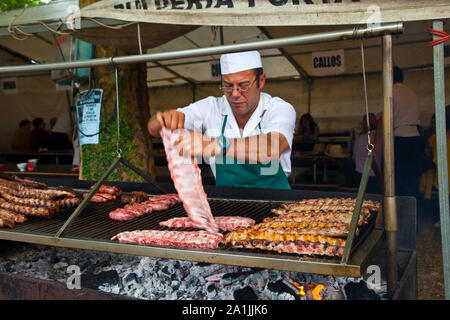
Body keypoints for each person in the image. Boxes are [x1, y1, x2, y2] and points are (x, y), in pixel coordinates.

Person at [147, 50, 296, 190]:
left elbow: (272, 147)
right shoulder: (211, 107)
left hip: (279, 205)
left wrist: (214, 145)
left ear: (261, 81)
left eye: (243, 85)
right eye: (228, 86)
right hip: (228, 204)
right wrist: (164, 118)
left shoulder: (278, 108)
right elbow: (153, 128)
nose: (235, 94)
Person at [374, 66, 425, 198]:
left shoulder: (391, 92)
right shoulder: (411, 93)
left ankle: (397, 214)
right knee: (411, 179)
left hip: (399, 140)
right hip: (414, 139)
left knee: (396, 182)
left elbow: (382, 121)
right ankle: (413, 213)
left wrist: (373, 144)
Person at [352, 113, 382, 193]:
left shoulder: (359, 139)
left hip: (361, 176)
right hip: (376, 177)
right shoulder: (383, 137)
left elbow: (354, 158)